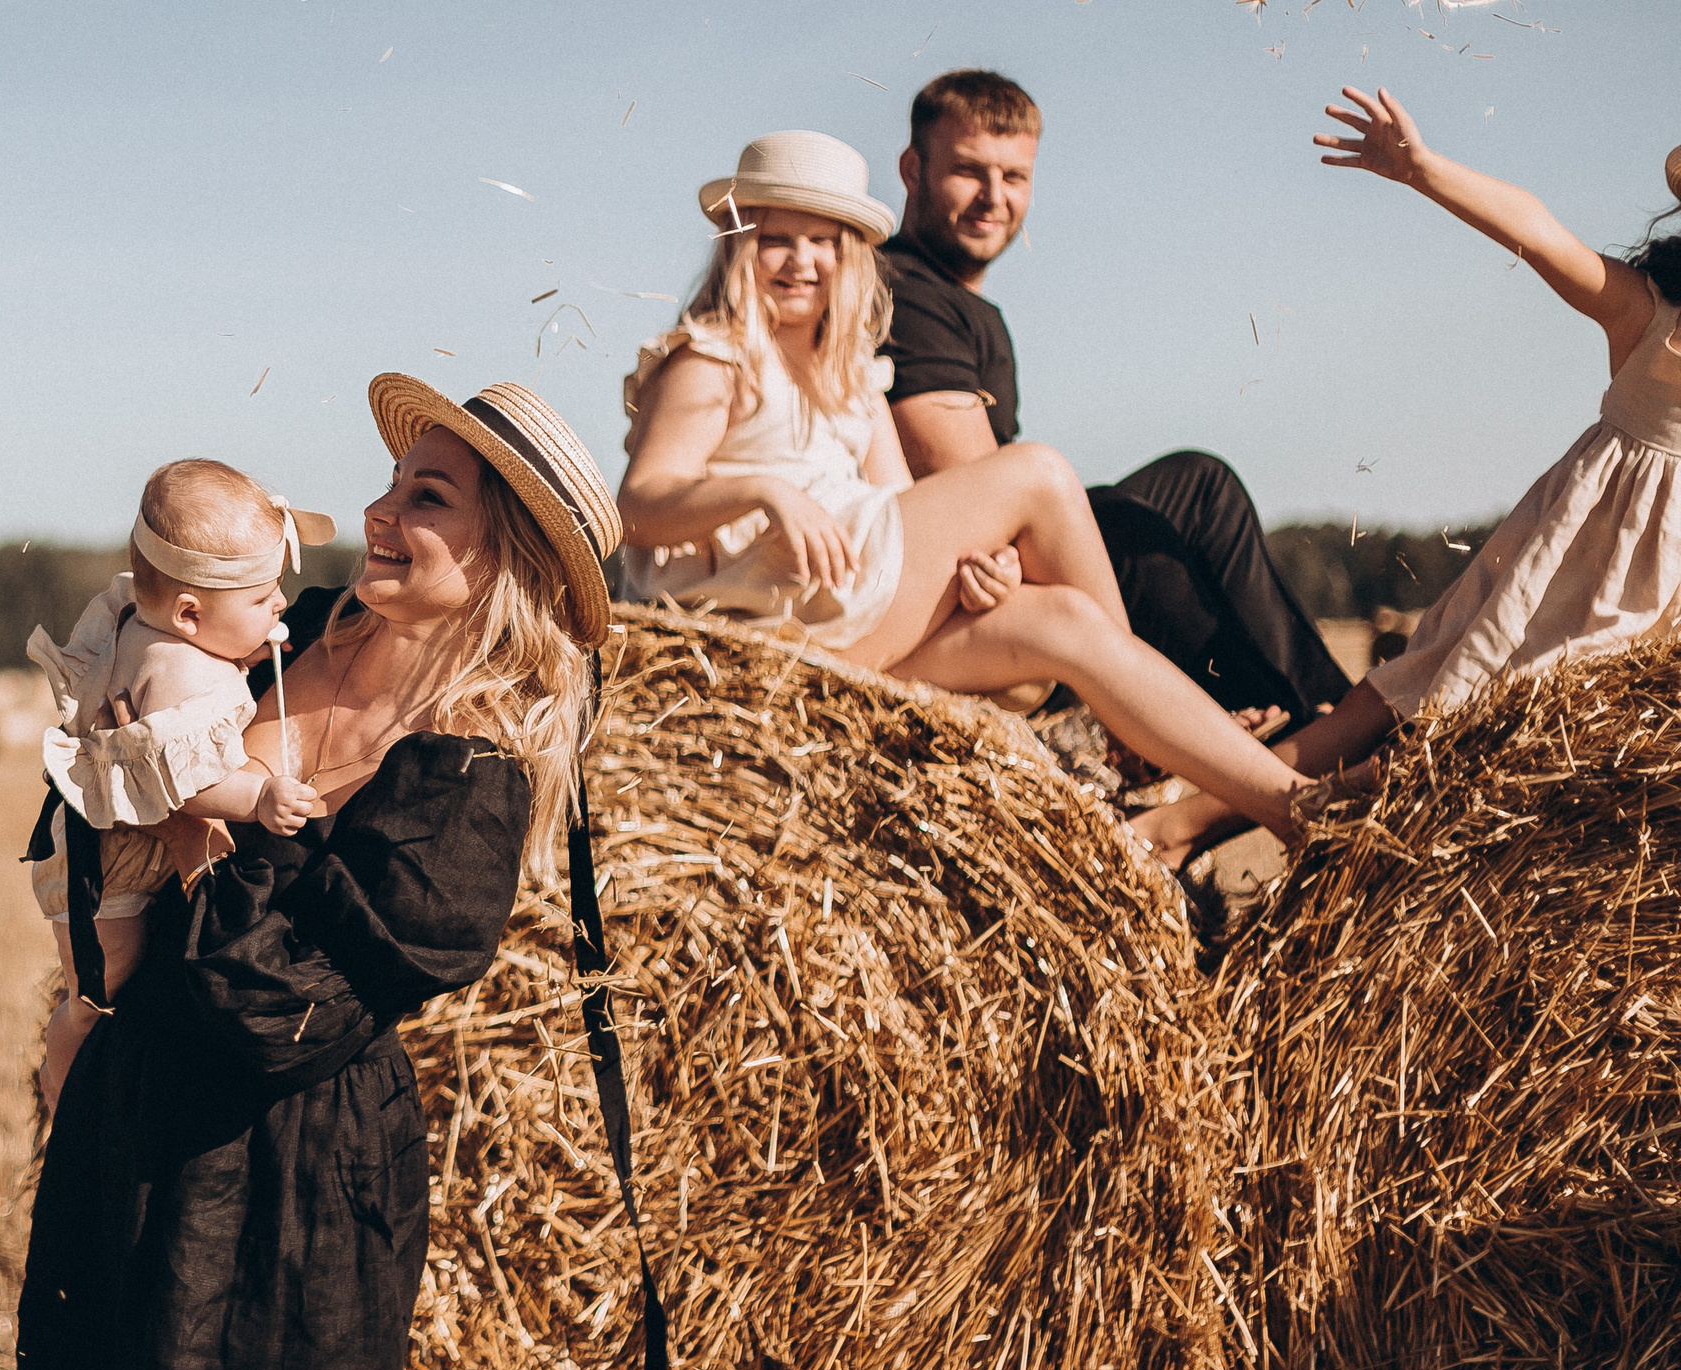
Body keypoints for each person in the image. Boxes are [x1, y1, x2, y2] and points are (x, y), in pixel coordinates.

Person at [14, 376, 620, 1370]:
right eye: (394, 483)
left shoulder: (466, 772)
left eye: (429, 497)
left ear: (504, 554)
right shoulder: (272, 644)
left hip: (291, 1185)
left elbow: (271, 996)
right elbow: (89, 787)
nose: (376, 511)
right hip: (145, 1126)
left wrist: (191, 834)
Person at [618, 129, 1319, 846]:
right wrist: (764, 493)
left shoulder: (852, 377)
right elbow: (636, 508)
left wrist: (986, 565)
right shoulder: (712, 360)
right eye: (778, 239)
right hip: (764, 633)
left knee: (1060, 621)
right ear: (740, 246)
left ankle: (1296, 807)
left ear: (849, 256)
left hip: (845, 626)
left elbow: (894, 505)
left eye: (824, 241)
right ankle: (1131, 736)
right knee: (1038, 473)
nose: (802, 261)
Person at [1134, 96, 1681, 861]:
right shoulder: (1650, 316)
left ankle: (1220, 823)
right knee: (1391, 697)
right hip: (1565, 578)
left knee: (1452, 757)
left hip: (1650, 627)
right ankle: (1182, 822)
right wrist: (1425, 171)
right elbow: (1538, 228)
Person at [881, 69, 1352, 729]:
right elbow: (977, 495)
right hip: (957, 592)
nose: (994, 197)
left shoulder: (961, 302)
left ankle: (1337, 712)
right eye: (969, 171)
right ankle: (1299, 735)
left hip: (1003, 562)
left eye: (1015, 177)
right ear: (912, 168)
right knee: (1135, 541)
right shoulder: (905, 291)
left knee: (1198, 484)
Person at [25, 460, 332, 1116]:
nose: (280, 605)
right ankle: (60, 1074)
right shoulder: (174, 675)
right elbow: (184, 787)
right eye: (261, 598)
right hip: (107, 866)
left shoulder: (168, 633)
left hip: (119, 847)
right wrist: (258, 798)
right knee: (101, 986)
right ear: (190, 614)